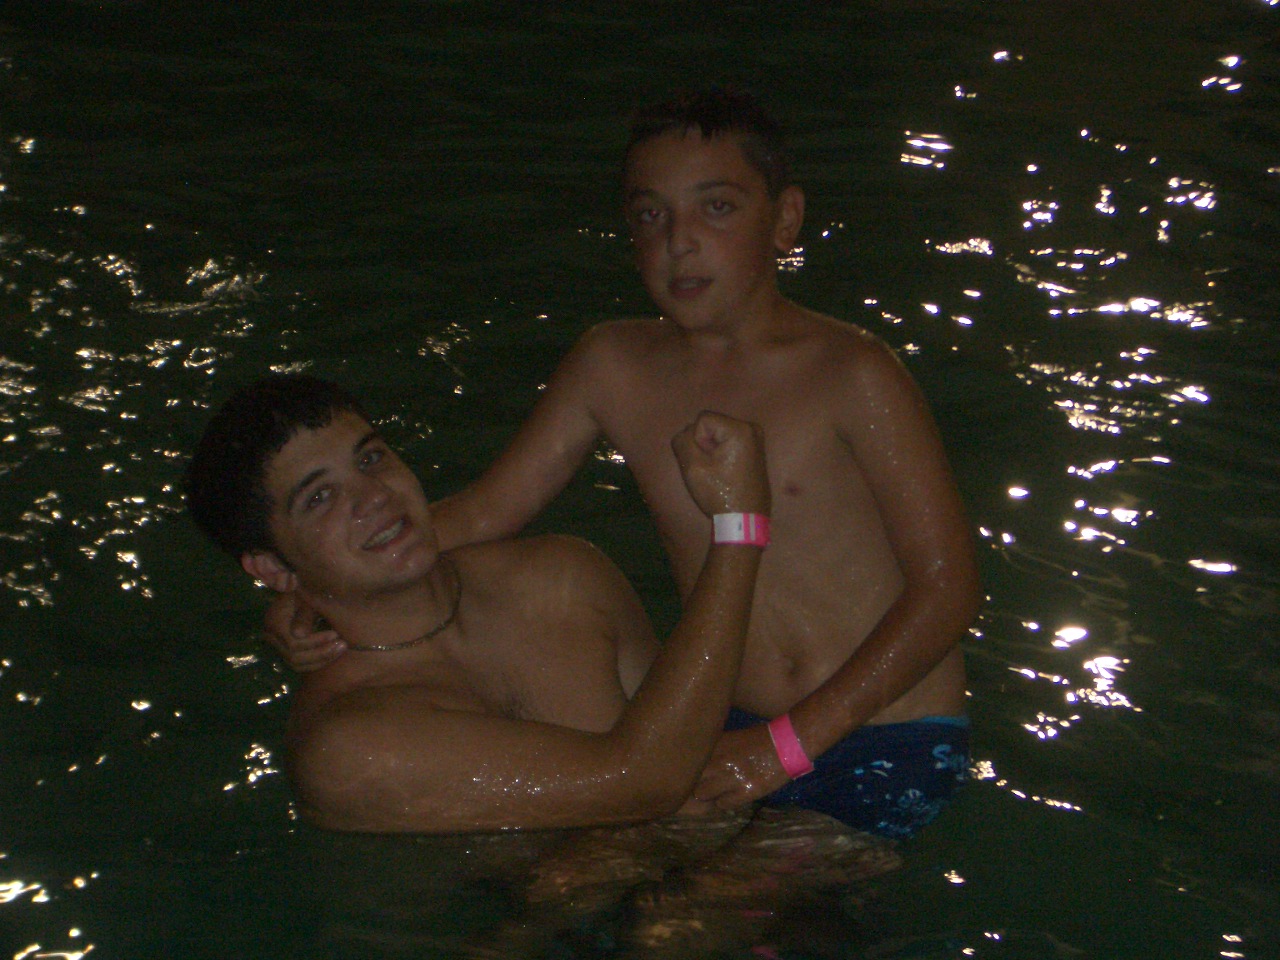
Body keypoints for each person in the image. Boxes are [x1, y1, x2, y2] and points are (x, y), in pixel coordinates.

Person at [272, 87, 982, 839]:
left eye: (716, 208)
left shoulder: (852, 373)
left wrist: (788, 746)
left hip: (882, 729)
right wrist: (323, 589)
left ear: (784, 220)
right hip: (725, 725)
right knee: (589, 884)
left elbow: (948, 588)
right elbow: (485, 512)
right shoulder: (611, 364)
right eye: (651, 216)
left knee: (720, 897)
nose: (680, 241)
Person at [185, 372, 773, 834]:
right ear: (273, 569)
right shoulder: (349, 749)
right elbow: (646, 783)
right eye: (320, 497)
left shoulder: (563, 578)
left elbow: (691, 750)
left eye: (370, 459)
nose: (374, 496)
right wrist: (738, 526)